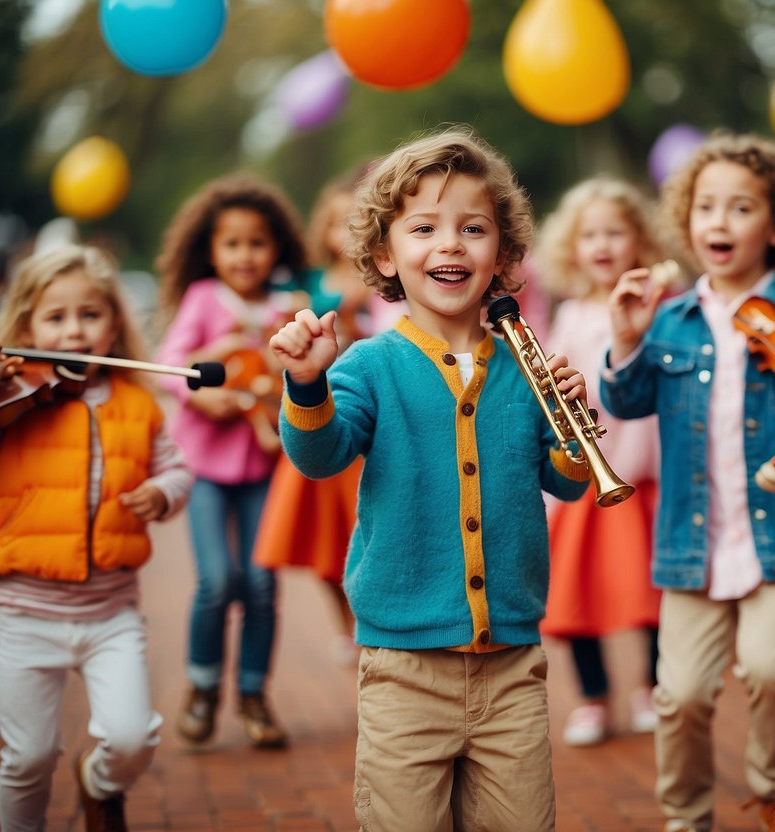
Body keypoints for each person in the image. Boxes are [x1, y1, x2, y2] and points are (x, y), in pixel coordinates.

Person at [267, 125, 592, 831]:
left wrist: (573, 428)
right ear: (385, 253)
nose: (449, 245)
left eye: (472, 228)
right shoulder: (365, 366)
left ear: (502, 254)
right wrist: (305, 384)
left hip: (511, 666)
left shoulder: (526, 363)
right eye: (424, 228)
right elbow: (319, 454)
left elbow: (566, 483)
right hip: (402, 669)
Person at [601, 130, 775, 832]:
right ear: (687, 221)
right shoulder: (671, 319)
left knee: (770, 667)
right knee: (680, 692)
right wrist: (627, 340)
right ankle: (685, 817)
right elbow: (626, 403)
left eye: (740, 208)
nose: (718, 221)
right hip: (694, 537)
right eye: (705, 207)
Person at [0, 245, 193, 832]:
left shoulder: (138, 402)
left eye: (90, 314)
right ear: (26, 326)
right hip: (27, 614)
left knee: (134, 738)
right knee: (28, 758)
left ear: (113, 323)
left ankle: (99, 782)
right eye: (55, 318)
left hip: (111, 612)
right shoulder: (9, 402)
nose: (75, 330)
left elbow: (176, 469)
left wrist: (162, 494)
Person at [154, 173, 308, 749]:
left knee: (262, 584)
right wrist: (203, 386)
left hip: (266, 463)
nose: (245, 256)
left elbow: (304, 373)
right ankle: (201, 687)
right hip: (206, 464)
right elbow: (171, 364)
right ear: (210, 249)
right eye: (232, 243)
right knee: (217, 581)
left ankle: (253, 695)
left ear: (278, 248)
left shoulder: (289, 305)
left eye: (257, 242)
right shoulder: (202, 300)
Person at [532, 176, 671, 746]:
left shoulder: (659, 307)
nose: (603, 245)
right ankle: (593, 696)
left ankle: (653, 686)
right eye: (590, 234)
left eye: (616, 231)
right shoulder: (569, 314)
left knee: (652, 591)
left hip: (644, 467)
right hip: (588, 471)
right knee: (575, 591)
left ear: (639, 240)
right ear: (572, 246)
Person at [253, 170, 365, 667]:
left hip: (363, 425)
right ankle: (345, 625)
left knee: (363, 528)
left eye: (357, 222)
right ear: (323, 229)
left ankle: (368, 620)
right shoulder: (309, 285)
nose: (346, 233)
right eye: (338, 223)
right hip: (318, 414)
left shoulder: (385, 281)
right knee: (326, 541)